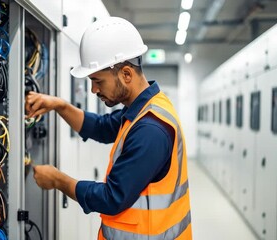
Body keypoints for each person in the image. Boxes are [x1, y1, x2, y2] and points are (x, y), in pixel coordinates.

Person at [25, 16, 192, 240]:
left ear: (126, 74)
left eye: (98, 81)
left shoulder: (151, 129)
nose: (93, 89)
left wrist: (58, 181)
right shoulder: (142, 108)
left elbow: (112, 198)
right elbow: (102, 128)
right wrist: (59, 105)